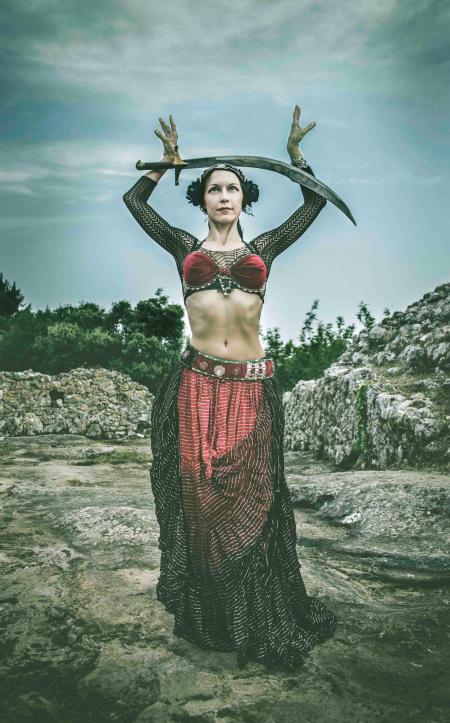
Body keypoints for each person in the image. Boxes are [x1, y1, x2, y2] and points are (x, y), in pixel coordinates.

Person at [123, 105, 337, 670]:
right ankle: (213, 615)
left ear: (245, 199)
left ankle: (260, 614)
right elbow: (133, 204)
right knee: (200, 504)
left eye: (233, 188)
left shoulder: (263, 249)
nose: (223, 196)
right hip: (195, 387)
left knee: (254, 502)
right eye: (214, 188)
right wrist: (161, 166)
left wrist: (296, 160)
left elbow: (313, 201)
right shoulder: (180, 247)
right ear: (202, 198)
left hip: (251, 388)